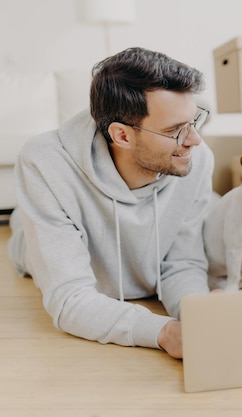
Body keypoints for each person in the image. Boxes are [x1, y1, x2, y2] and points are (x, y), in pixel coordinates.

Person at [7, 47, 215, 358]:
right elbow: (70, 299)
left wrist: (199, 312)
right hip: (34, 241)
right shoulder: (45, 162)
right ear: (122, 136)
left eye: (194, 120)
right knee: (24, 229)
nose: (194, 140)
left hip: (137, 251)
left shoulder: (196, 159)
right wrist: (163, 332)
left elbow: (182, 263)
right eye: (175, 130)